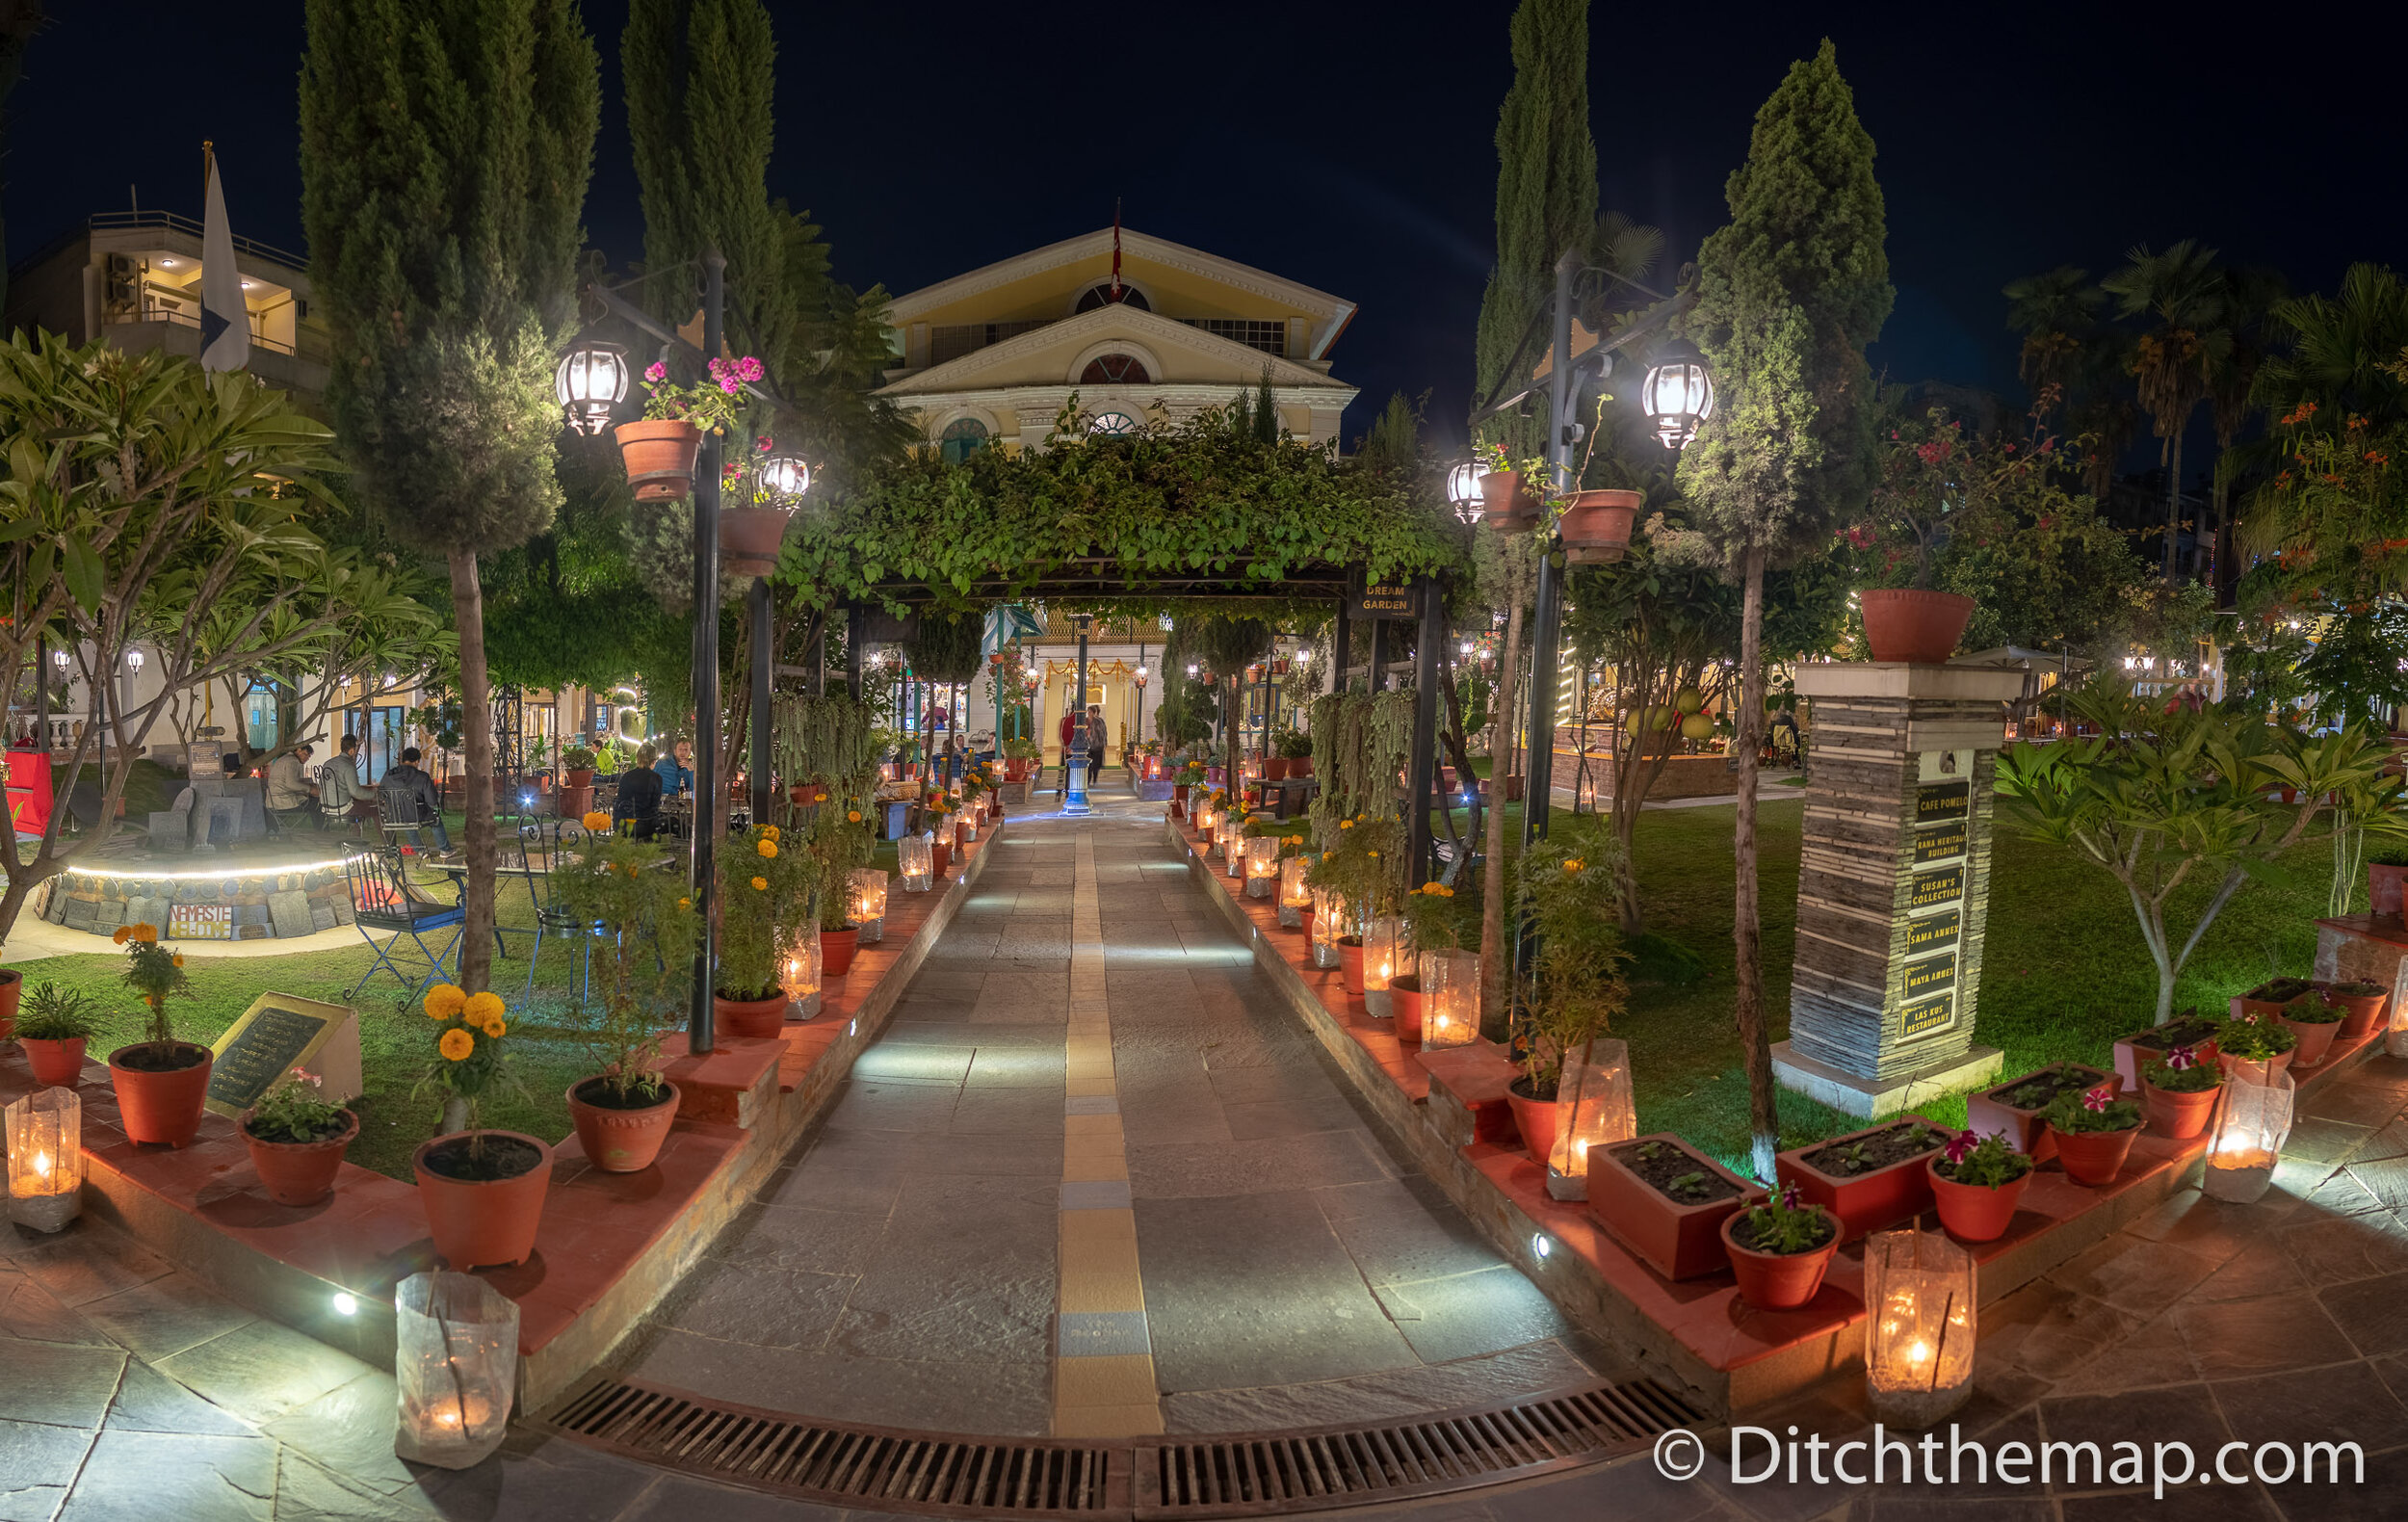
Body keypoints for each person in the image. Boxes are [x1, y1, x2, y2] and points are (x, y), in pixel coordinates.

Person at [378, 747, 452, 853]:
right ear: (417, 761)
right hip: (417, 815)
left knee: (407, 815)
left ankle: (420, 851)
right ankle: (445, 850)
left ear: (402, 760)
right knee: (435, 820)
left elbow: (381, 794)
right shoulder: (422, 777)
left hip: (394, 816)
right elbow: (432, 801)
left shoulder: (388, 775)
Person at [319, 734, 378, 827]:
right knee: (376, 810)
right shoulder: (348, 766)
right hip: (343, 808)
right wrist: (375, 795)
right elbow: (355, 792)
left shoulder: (328, 763)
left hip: (326, 807)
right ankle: (386, 840)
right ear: (351, 750)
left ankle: (355, 839)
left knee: (358, 806)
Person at [615, 743, 664, 840]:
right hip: (645, 825)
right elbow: (654, 806)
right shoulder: (656, 778)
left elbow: (620, 800)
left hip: (623, 823)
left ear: (637, 758)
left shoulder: (626, 776)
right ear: (654, 761)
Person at [266, 744, 318, 831]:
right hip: (284, 802)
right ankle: (319, 830)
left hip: (273, 801)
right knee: (317, 803)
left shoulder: (282, 759)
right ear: (298, 750)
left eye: (309, 757)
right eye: (305, 754)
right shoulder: (292, 761)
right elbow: (291, 784)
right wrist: (310, 789)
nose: (307, 758)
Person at [1056, 706, 1078, 795]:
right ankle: (1073, 788)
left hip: (1066, 749)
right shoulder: (1080, 722)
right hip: (1076, 749)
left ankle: (1065, 788)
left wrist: (1066, 745)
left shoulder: (1065, 720)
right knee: (1075, 770)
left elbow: (1062, 735)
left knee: (1066, 770)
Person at [1085, 704, 1106, 783]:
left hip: (1097, 745)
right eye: (1088, 712)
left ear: (1094, 713)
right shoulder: (1085, 721)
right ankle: (1088, 779)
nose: (1089, 713)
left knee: (1096, 763)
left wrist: (1103, 743)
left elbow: (1102, 733)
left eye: (1090, 712)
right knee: (1089, 764)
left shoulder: (1098, 721)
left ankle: (1095, 777)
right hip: (1088, 745)